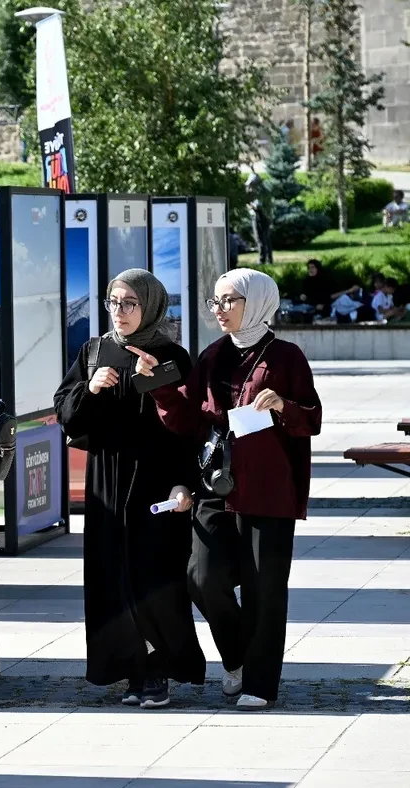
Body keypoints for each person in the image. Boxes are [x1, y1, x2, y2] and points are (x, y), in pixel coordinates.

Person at [131, 269, 322, 710]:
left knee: (264, 589)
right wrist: (159, 385)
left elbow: (311, 418)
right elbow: (187, 420)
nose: (218, 310)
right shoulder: (213, 355)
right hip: (217, 484)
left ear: (255, 302)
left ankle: (257, 682)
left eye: (228, 300)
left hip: (269, 489)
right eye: (213, 302)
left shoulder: (287, 357)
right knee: (202, 577)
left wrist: (283, 406)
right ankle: (237, 658)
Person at [54, 269, 206, 709]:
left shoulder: (172, 354)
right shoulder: (94, 351)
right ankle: (130, 669)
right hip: (107, 481)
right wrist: (91, 387)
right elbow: (67, 413)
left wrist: (184, 482)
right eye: (112, 303)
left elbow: (189, 428)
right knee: (111, 577)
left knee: (154, 577)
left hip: (155, 481)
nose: (119, 312)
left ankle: (162, 668)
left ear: (150, 306)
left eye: (129, 304)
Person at [247, 174, 273, 264]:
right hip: (266, 217)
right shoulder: (265, 190)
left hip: (260, 217)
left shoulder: (260, 192)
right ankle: (269, 259)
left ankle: (262, 259)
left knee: (260, 239)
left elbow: (258, 206)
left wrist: (251, 206)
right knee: (266, 239)